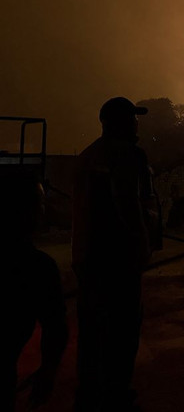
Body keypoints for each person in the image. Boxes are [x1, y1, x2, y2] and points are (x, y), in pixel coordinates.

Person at [72, 97, 159, 411]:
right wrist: (142, 246)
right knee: (122, 332)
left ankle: (88, 396)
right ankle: (116, 396)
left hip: (86, 260)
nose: (137, 124)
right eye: (133, 118)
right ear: (119, 122)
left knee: (92, 332)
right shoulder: (126, 154)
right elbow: (128, 204)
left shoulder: (86, 156)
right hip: (116, 261)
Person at [5, 172, 68, 410]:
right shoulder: (37, 267)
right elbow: (56, 327)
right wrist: (48, 371)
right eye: (39, 202)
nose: (43, 209)